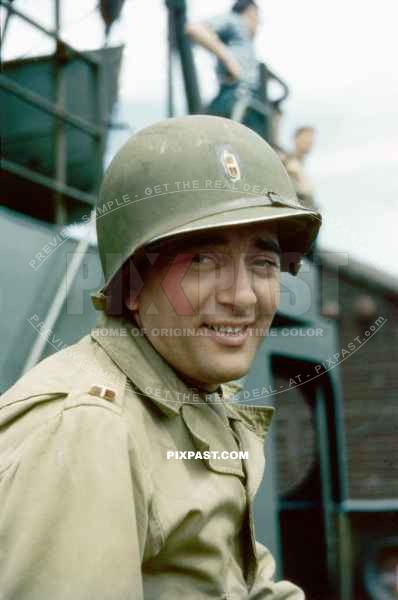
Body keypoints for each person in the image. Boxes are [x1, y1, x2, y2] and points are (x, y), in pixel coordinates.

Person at [0, 115, 321, 599]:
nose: (244, 296)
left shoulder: (194, 397)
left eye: (263, 263)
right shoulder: (88, 428)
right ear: (131, 285)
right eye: (201, 261)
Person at [185, 0, 266, 137]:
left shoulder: (245, 40)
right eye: (258, 18)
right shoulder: (235, 21)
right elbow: (195, 29)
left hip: (250, 101)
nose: (259, 24)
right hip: (236, 96)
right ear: (251, 12)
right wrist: (228, 58)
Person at [284, 126, 317, 209]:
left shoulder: (300, 163)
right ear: (296, 139)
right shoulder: (288, 160)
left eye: (311, 139)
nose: (310, 141)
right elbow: (306, 189)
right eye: (306, 138)